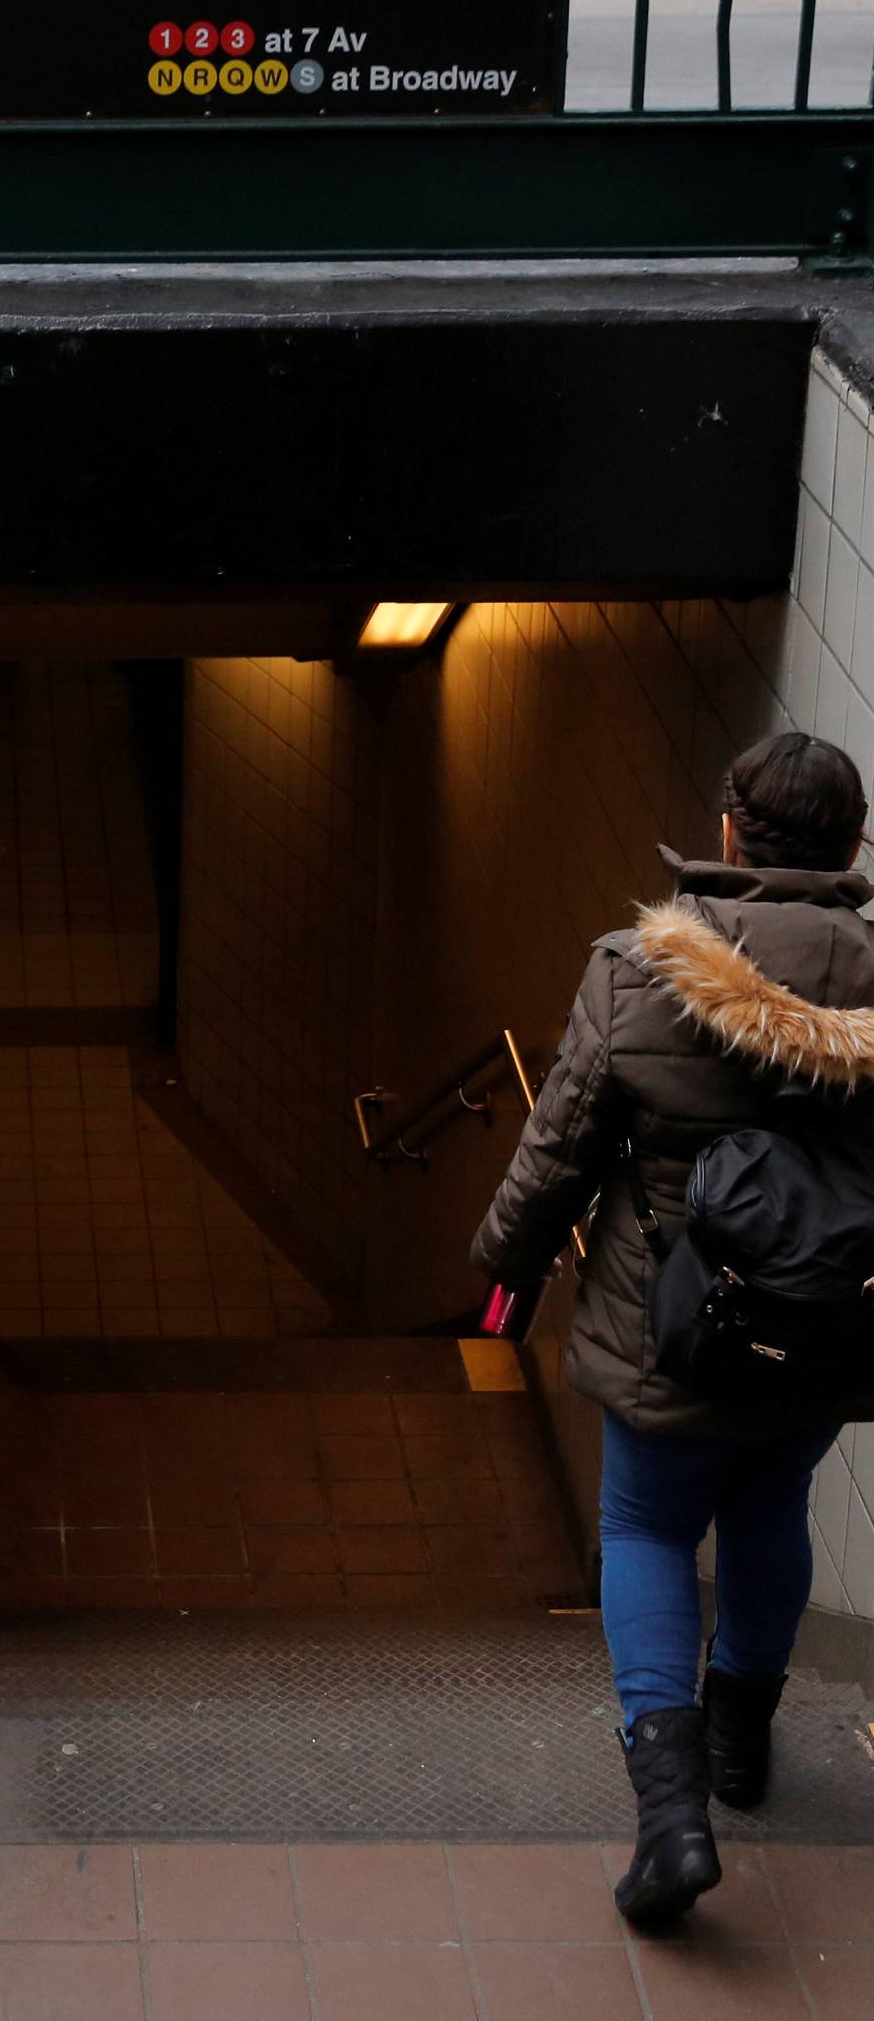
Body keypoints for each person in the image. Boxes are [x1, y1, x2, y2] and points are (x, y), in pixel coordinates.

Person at [472, 730, 874, 1924]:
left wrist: (505, 1274)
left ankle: (673, 1817)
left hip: (676, 1323)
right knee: (772, 1505)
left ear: (729, 832)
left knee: (648, 1525)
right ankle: (743, 1741)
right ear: (852, 847)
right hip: (825, 1326)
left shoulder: (639, 969)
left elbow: (560, 1150)